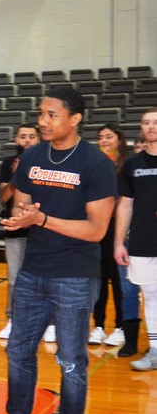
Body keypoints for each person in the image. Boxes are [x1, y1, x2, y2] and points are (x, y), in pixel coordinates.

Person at [0, 86, 116, 414]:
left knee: (70, 361)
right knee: (18, 352)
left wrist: (43, 220)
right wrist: (21, 217)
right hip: (33, 271)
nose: (43, 120)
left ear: (74, 119)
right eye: (42, 113)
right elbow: (23, 202)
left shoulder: (96, 164)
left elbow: (97, 229)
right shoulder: (32, 156)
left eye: (52, 114)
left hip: (74, 274)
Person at [115, 107, 157, 368]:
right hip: (142, 243)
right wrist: (119, 242)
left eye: (155, 122)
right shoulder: (133, 164)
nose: (151, 126)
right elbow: (125, 206)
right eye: (146, 123)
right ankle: (155, 350)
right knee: (151, 297)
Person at [0, 124, 42, 340]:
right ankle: (12, 320)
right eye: (23, 136)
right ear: (16, 140)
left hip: (43, 231)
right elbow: (4, 197)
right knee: (15, 279)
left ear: (39, 139)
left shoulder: (47, 162)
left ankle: (48, 323)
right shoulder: (9, 164)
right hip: (15, 231)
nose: (27, 140)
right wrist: (17, 176)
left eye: (31, 136)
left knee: (44, 278)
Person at [88, 124, 130, 348]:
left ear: (119, 141)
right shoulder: (95, 165)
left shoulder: (126, 166)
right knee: (99, 280)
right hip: (99, 230)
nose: (104, 141)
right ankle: (99, 326)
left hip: (120, 231)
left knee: (121, 282)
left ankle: (121, 327)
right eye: (101, 137)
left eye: (109, 137)